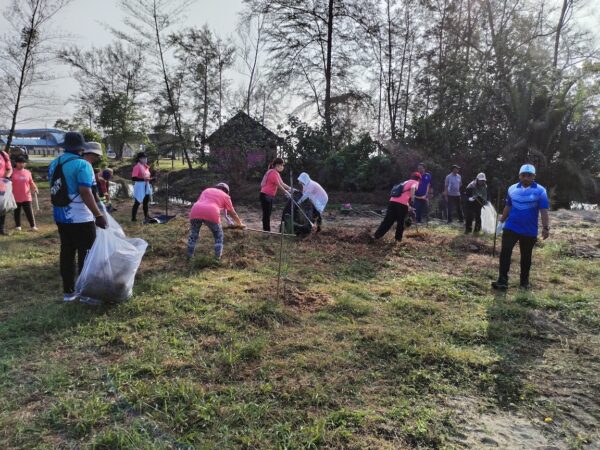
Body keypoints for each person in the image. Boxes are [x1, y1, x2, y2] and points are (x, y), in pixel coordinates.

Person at [48, 132, 107, 302]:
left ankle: (68, 292)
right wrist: (98, 214)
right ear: (81, 148)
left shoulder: (54, 163)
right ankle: (86, 293)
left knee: (66, 252)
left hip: (60, 215)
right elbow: (85, 192)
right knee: (86, 254)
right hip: (80, 217)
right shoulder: (83, 164)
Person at [492, 164, 550, 290]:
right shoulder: (512, 189)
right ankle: (502, 281)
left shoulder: (540, 191)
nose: (526, 178)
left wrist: (546, 228)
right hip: (511, 227)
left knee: (526, 256)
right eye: (523, 175)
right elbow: (508, 206)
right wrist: (501, 222)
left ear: (534, 177)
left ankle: (524, 282)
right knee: (505, 253)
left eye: (529, 176)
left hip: (529, 230)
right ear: (519, 176)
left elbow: (543, 210)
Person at [187, 183, 245, 260]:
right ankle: (217, 258)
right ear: (227, 191)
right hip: (211, 212)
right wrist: (240, 224)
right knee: (219, 235)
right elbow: (232, 213)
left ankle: (189, 257)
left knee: (193, 235)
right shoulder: (226, 196)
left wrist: (203, 219)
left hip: (195, 210)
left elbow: (202, 202)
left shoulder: (207, 190)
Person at [374, 172, 421, 242]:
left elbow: (402, 197)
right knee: (400, 222)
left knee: (388, 221)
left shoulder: (406, 182)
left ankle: (376, 236)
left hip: (392, 201)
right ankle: (398, 239)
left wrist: (409, 207)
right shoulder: (415, 182)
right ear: (419, 179)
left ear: (412, 177)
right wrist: (412, 200)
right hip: (401, 204)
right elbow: (413, 188)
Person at [259, 157, 292, 231]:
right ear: (277, 165)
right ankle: (266, 231)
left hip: (269, 196)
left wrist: (291, 189)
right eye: (282, 165)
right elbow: (279, 185)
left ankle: (266, 230)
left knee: (268, 214)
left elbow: (282, 183)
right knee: (266, 215)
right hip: (265, 195)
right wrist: (286, 192)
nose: (282, 167)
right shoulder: (272, 173)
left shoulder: (276, 173)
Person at [11, 155, 38, 231]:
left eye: (23, 163)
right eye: (19, 163)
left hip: (26, 196)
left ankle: (33, 226)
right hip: (15, 196)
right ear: (16, 163)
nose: (21, 164)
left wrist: (35, 188)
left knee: (29, 211)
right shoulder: (12, 172)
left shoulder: (27, 172)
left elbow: (31, 182)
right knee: (17, 212)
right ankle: (18, 226)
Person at [131, 152, 152, 222]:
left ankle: (146, 216)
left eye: (146, 158)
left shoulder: (145, 166)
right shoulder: (137, 167)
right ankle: (133, 218)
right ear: (140, 159)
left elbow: (147, 176)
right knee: (137, 202)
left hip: (146, 185)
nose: (146, 159)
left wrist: (151, 179)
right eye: (144, 158)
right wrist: (144, 179)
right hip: (139, 186)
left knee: (146, 202)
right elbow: (133, 178)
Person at [0, 147, 13, 235]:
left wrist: (7, 178)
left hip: (1, 183)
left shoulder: (4, 155)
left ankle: (1, 228)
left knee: (2, 206)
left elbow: (9, 169)